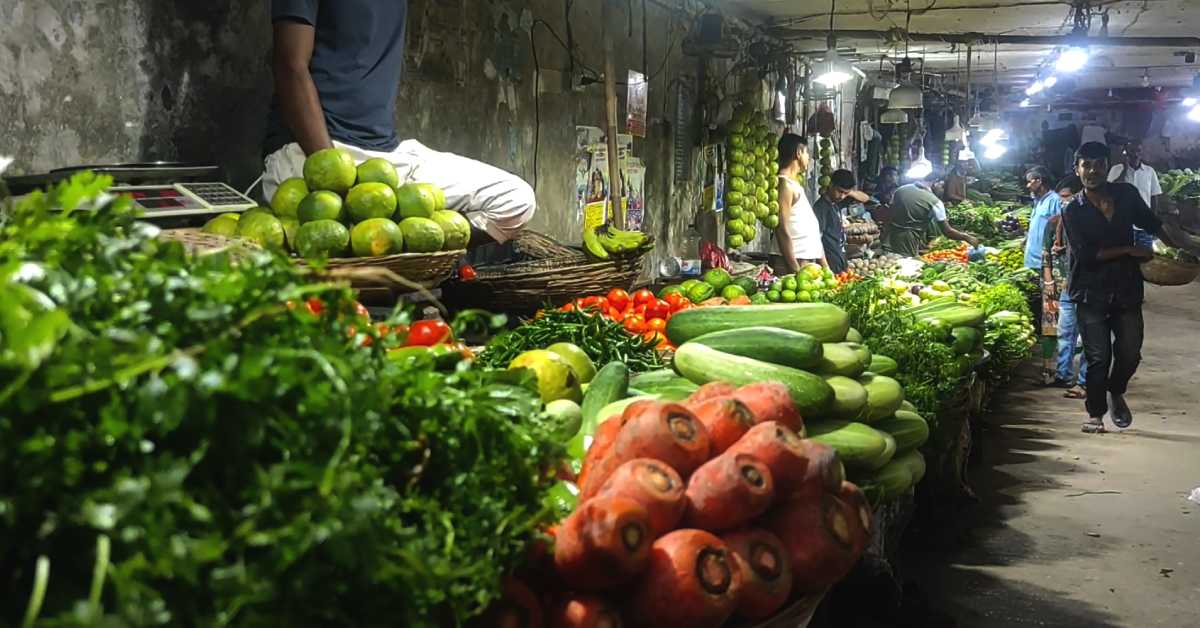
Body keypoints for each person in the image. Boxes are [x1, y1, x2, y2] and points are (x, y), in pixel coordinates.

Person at [262, 0, 535, 247]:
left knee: (515, 199)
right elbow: (290, 65)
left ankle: (406, 242)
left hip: (385, 161)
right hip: (310, 154)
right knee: (330, 239)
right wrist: (331, 169)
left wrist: (415, 233)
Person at [1061, 141, 1176, 433]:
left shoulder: (1126, 195)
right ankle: (1095, 414)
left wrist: (1178, 248)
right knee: (1098, 357)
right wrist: (1128, 250)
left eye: (1099, 164)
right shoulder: (1073, 209)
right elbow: (1086, 255)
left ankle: (1117, 390)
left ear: (1107, 168)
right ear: (1077, 169)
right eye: (1086, 165)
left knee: (1130, 352)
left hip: (1126, 290)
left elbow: (1152, 223)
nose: (1092, 171)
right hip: (1090, 291)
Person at [881, 172, 980, 258]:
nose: (942, 189)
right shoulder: (935, 202)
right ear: (936, 182)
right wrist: (967, 237)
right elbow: (947, 231)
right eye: (942, 186)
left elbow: (888, 214)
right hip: (907, 242)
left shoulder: (901, 189)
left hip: (888, 239)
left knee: (887, 268)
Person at [1050, 175, 1087, 397]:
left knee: (1089, 335)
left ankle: (1084, 381)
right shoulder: (1062, 219)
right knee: (1065, 332)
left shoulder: (1087, 219)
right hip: (1067, 285)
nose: (1063, 202)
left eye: (1066, 197)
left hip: (1086, 286)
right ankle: (1063, 374)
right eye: (1060, 198)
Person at [772, 134, 826, 273]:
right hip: (792, 263)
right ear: (798, 153)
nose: (808, 157)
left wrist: (825, 267)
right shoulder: (784, 185)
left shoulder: (794, 184)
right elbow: (781, 228)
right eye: (807, 152)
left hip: (805, 262)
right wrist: (795, 269)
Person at [813, 170, 873, 274]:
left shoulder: (836, 203)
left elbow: (865, 198)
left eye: (845, 193)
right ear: (831, 185)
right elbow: (816, 240)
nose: (842, 196)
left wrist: (850, 192)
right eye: (840, 191)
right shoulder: (821, 207)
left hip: (840, 260)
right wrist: (826, 268)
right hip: (829, 264)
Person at [1107, 139, 1162, 249]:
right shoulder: (1116, 169)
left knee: (1144, 257)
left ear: (1142, 152)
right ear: (1126, 152)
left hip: (1144, 226)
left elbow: (1154, 196)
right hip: (1122, 225)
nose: (1135, 154)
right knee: (1124, 257)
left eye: (1138, 151)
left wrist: (1153, 221)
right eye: (1131, 151)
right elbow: (1110, 190)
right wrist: (1125, 168)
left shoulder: (1149, 171)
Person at [1023, 166, 1062, 271]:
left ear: (1039, 181)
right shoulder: (1038, 201)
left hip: (1044, 264)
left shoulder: (1054, 200)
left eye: (1029, 182)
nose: (1027, 186)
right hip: (1032, 262)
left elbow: (1059, 230)